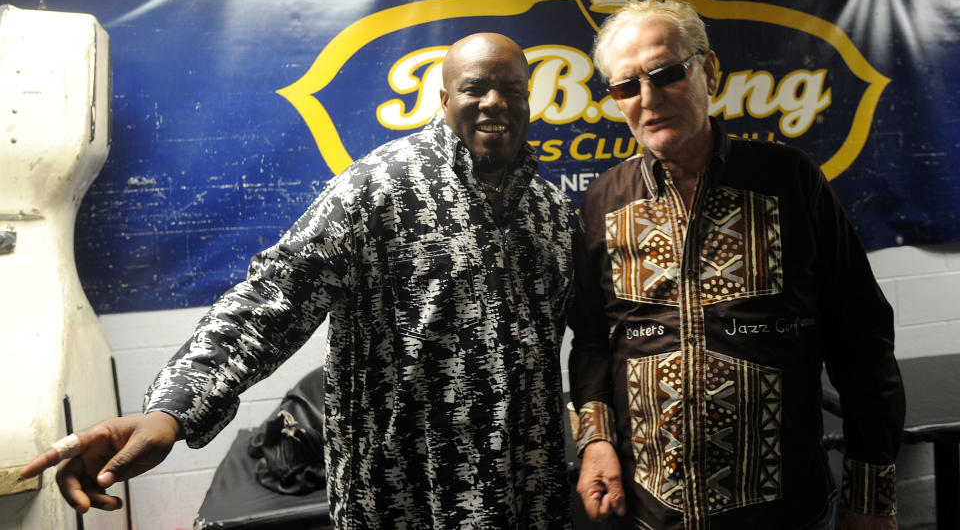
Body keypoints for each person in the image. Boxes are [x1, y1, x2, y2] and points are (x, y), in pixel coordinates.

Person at [22, 32, 579, 529]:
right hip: (405, 493)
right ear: (443, 98)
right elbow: (271, 299)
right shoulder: (376, 189)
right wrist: (172, 409)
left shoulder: (551, 211)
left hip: (526, 489)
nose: (495, 103)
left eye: (513, 88)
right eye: (475, 87)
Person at [568, 0, 905, 530]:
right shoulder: (604, 201)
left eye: (667, 74)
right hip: (650, 513)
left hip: (786, 512)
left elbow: (861, 339)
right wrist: (597, 440)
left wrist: (870, 496)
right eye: (626, 86)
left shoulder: (789, 181)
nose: (649, 99)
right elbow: (591, 339)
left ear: (709, 71)